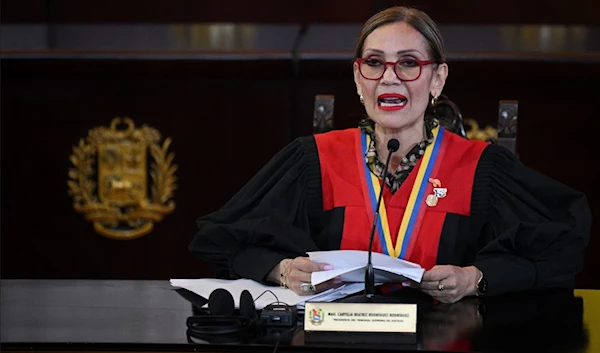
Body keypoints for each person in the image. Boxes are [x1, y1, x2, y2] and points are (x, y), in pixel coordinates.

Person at [189, 6, 590, 304]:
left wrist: (474, 277)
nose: (389, 77)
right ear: (357, 77)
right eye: (375, 63)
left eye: (409, 64)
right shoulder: (312, 160)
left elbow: (561, 246)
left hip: (446, 339)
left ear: (438, 79)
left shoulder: (481, 167)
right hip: (335, 342)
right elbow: (224, 239)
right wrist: (282, 270)